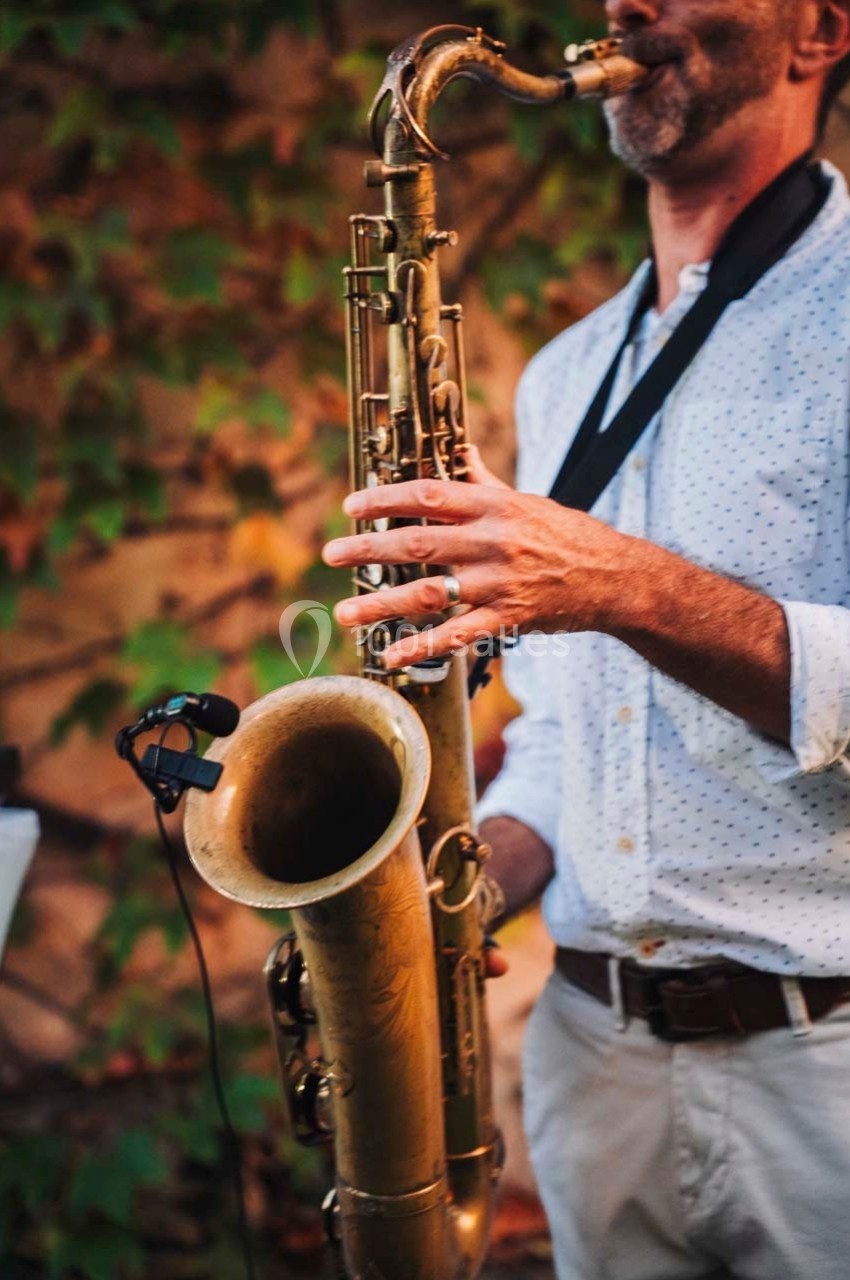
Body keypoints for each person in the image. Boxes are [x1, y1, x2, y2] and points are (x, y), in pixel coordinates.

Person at [322, 1, 850, 1276]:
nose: (624, 7)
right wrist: (435, 898)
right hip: (589, 1054)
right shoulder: (561, 372)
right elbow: (569, 732)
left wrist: (624, 584)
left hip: (823, 1073)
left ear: (817, 31)